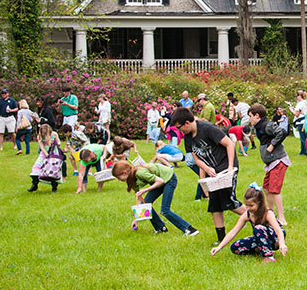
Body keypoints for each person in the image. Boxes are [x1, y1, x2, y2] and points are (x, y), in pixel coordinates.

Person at [171, 107, 245, 244]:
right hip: (213, 170)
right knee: (214, 204)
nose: (180, 132)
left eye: (180, 128)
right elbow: (196, 159)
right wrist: (205, 171)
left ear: (187, 123)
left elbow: (229, 144)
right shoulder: (188, 138)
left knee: (230, 201)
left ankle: (261, 219)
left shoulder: (207, 128)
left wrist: (230, 168)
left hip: (226, 166)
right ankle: (221, 239)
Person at [111, 160, 200, 236]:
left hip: (169, 178)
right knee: (145, 204)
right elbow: (139, 201)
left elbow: (160, 181)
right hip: (160, 181)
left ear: (125, 173)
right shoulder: (131, 179)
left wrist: (145, 190)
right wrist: (136, 220)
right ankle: (161, 228)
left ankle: (190, 229)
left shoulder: (140, 172)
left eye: (119, 177)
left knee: (165, 210)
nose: (119, 180)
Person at [210, 184, 287, 263]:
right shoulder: (247, 214)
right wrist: (219, 247)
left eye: (251, 205)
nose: (248, 208)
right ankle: (262, 249)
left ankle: (269, 256)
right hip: (261, 238)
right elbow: (233, 232)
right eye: (246, 205)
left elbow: (278, 230)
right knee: (235, 247)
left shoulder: (267, 213)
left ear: (259, 203)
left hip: (275, 239)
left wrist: (282, 244)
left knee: (258, 228)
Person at [249, 103, 290, 225]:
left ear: (257, 116)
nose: (249, 118)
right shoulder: (259, 127)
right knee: (266, 188)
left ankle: (282, 219)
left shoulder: (267, 125)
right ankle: (270, 213)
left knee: (274, 190)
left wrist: (272, 146)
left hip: (278, 161)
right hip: (271, 163)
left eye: (250, 116)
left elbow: (282, 132)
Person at [28, 124, 62, 192]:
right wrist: (46, 154)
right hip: (44, 153)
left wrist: (54, 142)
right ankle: (35, 184)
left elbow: (59, 143)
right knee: (36, 167)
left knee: (52, 169)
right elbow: (41, 147)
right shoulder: (39, 136)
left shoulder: (54, 134)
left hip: (53, 153)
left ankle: (54, 186)